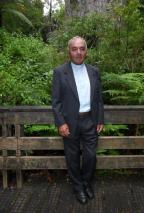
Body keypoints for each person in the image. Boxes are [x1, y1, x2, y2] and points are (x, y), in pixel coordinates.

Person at [51, 36, 104, 204]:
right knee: (72, 157)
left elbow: (99, 99)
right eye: (75, 49)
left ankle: (86, 182)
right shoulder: (60, 72)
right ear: (69, 52)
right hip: (70, 123)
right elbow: (56, 101)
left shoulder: (94, 71)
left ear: (86, 51)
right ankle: (78, 187)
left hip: (90, 120)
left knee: (90, 156)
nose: (78, 52)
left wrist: (100, 119)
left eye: (82, 48)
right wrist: (61, 123)